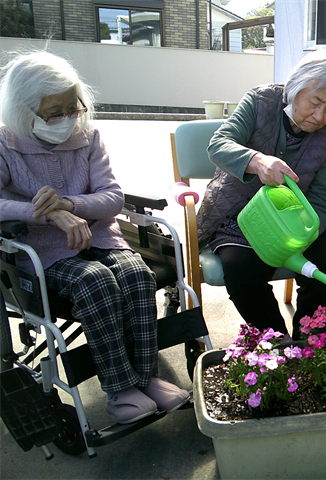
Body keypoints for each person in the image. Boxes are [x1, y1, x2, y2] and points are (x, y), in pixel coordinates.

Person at [0, 51, 189, 424]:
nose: (69, 118)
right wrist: (47, 212)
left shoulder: (88, 137)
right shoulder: (6, 144)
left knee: (138, 275)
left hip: (103, 237)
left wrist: (70, 203)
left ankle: (146, 379)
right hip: (42, 251)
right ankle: (120, 391)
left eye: (75, 106)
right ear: (25, 112)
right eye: (56, 111)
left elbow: (113, 196)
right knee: (96, 282)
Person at [197, 50, 326, 339]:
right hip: (239, 215)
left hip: (296, 221)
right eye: (315, 102)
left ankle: (310, 341)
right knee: (241, 271)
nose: (320, 116)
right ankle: (277, 344)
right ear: (295, 87)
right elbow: (218, 144)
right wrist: (257, 161)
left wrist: (297, 239)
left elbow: (321, 200)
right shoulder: (259, 102)